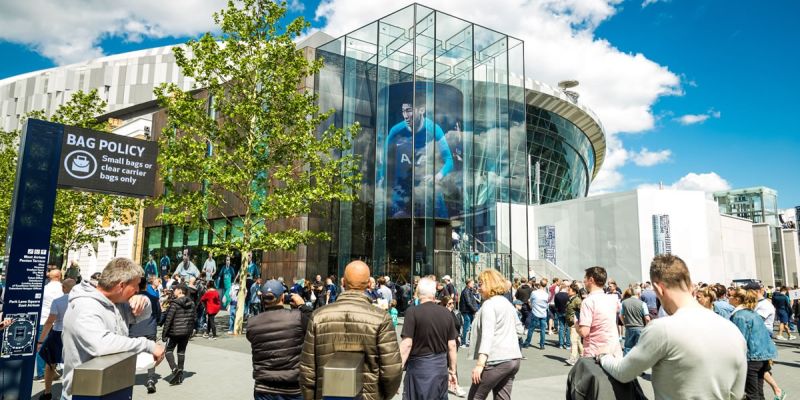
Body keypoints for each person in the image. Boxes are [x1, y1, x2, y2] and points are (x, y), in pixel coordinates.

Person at [599, 255, 747, 400]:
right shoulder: (733, 331)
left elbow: (623, 373)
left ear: (659, 288)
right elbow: (737, 393)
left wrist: (603, 357)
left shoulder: (662, 329)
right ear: (690, 286)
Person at [61, 258, 165, 400]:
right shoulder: (85, 307)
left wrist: (143, 300)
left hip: (112, 389)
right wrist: (147, 345)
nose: (137, 290)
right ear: (121, 286)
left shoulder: (117, 302)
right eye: (135, 286)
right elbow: (101, 344)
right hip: (83, 393)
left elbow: (144, 314)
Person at [300, 260, 402, 400]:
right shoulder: (381, 318)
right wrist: (382, 396)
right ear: (368, 284)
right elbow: (392, 369)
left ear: (342, 282)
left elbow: (307, 370)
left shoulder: (318, 316)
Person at [246, 279, 313, 400]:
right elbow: (314, 326)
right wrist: (302, 306)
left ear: (262, 299)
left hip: (263, 388)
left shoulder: (252, 323)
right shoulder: (297, 317)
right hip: (292, 388)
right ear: (283, 297)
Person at [468, 269, 523, 400]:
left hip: (496, 360)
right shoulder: (507, 303)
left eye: (480, 284)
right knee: (502, 397)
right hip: (513, 358)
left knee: (475, 397)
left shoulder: (489, 305)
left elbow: (487, 336)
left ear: (489, 284)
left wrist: (480, 365)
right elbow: (519, 330)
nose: (478, 288)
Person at [399, 277, 459, 399]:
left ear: (418, 293)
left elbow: (407, 344)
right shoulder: (446, 313)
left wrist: (397, 370)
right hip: (440, 368)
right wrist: (452, 371)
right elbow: (452, 345)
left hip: (419, 369)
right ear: (434, 293)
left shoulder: (412, 312)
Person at [729, 288, 781, 400]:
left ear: (737, 299)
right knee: (758, 392)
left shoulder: (739, 315)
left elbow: (740, 340)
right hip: (761, 356)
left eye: (731, 296)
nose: (729, 297)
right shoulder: (751, 313)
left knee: (752, 394)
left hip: (751, 358)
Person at [36, 278, 76, 400]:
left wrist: (40, 340)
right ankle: (71, 393)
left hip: (58, 333)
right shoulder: (81, 301)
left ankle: (47, 393)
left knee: (50, 363)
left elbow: (49, 322)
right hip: (74, 334)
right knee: (73, 364)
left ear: (63, 288)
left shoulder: (58, 301)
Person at [577, 266, 621, 357]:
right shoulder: (613, 299)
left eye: (585, 278)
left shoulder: (588, 301)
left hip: (595, 353)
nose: (584, 281)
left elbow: (584, 332)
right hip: (613, 350)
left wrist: (576, 324)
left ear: (591, 280)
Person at [128, 276, 162, 394]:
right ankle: (151, 379)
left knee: (130, 355)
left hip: (133, 330)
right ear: (145, 285)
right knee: (151, 355)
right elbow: (158, 314)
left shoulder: (130, 298)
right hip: (149, 329)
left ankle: (127, 378)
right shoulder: (153, 298)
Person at [161, 283, 195, 385]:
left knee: (168, 351)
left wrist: (164, 334)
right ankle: (180, 372)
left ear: (180, 291)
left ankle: (175, 370)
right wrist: (190, 331)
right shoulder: (192, 303)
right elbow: (194, 318)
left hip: (174, 332)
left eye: (175, 289)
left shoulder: (174, 304)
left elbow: (168, 320)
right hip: (186, 333)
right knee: (181, 352)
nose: (174, 291)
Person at [36, 269, 63, 381]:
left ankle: (42, 373)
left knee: (41, 346)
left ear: (50, 277)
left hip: (43, 319)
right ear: (60, 276)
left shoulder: (44, 289)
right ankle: (53, 369)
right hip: (58, 323)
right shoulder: (63, 289)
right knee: (55, 347)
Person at [620, 287, 649, 355]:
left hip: (629, 328)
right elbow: (647, 318)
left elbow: (621, 316)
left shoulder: (624, 303)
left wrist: (625, 324)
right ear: (639, 294)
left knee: (628, 348)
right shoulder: (642, 303)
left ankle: (626, 364)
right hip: (640, 328)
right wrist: (647, 327)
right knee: (640, 349)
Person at [523, 281, 549, 349]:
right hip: (543, 313)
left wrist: (532, 306)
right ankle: (542, 345)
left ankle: (527, 343)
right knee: (543, 330)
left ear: (539, 284)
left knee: (531, 329)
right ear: (545, 286)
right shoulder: (546, 294)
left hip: (535, 312)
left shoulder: (534, 293)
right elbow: (547, 305)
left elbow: (530, 301)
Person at [564, 282, 583, 366]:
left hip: (575, 324)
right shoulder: (570, 299)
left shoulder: (577, 300)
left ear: (574, 291)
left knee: (573, 341)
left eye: (569, 290)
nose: (568, 291)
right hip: (571, 323)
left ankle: (573, 359)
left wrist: (577, 319)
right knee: (577, 341)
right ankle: (584, 356)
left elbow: (583, 311)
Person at [459, 279, 480, 348]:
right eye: (472, 283)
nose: (473, 285)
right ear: (468, 283)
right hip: (466, 311)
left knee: (468, 327)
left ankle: (465, 341)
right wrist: (475, 310)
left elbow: (471, 302)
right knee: (467, 327)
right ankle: (464, 342)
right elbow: (468, 302)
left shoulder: (469, 291)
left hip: (469, 311)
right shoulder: (466, 291)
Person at [553, 282, 571, 349]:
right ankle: (568, 344)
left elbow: (556, 304)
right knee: (568, 328)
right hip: (567, 312)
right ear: (566, 287)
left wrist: (557, 311)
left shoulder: (557, 295)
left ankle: (561, 344)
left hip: (560, 312)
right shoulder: (568, 295)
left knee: (561, 327)